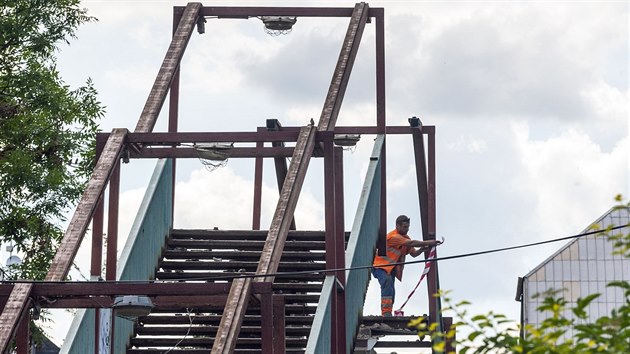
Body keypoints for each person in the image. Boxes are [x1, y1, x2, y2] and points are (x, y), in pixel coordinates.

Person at [372, 215, 442, 316]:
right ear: (397, 226)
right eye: (405, 227)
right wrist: (429, 242)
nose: (407, 229)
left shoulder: (405, 238)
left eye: (408, 227)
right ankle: (386, 313)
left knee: (391, 291)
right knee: (387, 284)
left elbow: (413, 254)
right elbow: (412, 243)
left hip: (390, 269)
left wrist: (422, 249)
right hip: (379, 266)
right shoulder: (394, 237)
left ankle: (388, 311)